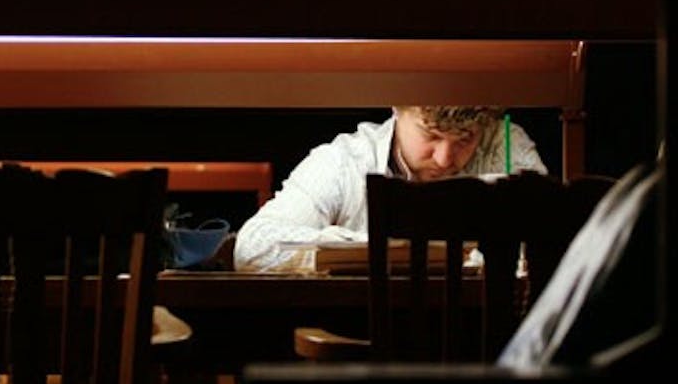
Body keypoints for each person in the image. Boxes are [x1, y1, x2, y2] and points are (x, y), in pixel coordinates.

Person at [233, 106, 547, 272]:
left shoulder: (503, 144)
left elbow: (554, 242)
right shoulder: (347, 161)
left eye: (465, 139)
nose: (445, 158)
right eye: (432, 135)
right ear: (398, 108)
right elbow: (252, 247)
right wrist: (366, 250)